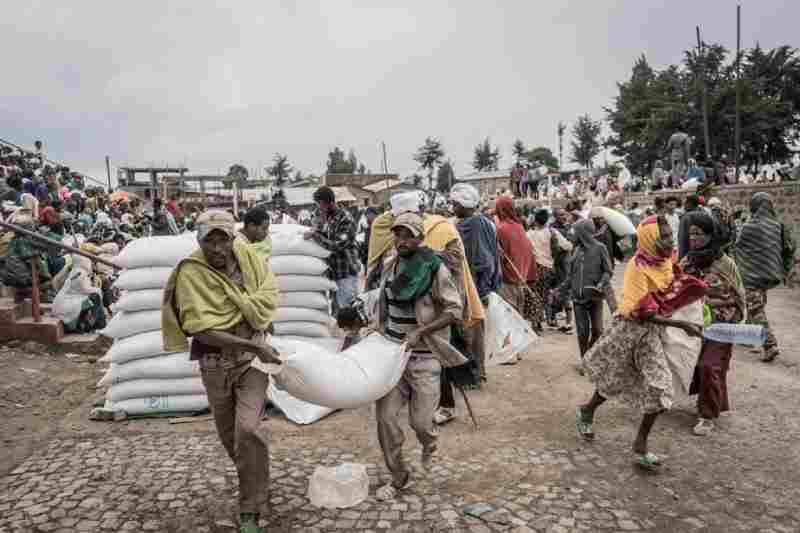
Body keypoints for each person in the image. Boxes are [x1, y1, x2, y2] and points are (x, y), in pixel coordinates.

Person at [162, 210, 281, 533]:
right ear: (199, 241)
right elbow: (200, 330)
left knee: (248, 429)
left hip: (249, 362)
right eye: (209, 241)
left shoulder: (248, 259)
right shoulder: (191, 272)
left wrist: (259, 332)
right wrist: (257, 344)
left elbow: (267, 295)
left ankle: (249, 509)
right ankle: (258, 487)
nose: (217, 248)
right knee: (232, 439)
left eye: (222, 240)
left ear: (232, 238)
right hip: (215, 366)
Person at [578, 215, 706, 470]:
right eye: (664, 236)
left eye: (671, 234)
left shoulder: (666, 261)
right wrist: (682, 324)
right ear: (649, 238)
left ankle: (640, 444)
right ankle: (588, 410)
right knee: (613, 379)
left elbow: (670, 290)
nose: (670, 240)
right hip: (629, 330)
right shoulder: (638, 266)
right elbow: (641, 310)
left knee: (660, 387)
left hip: (651, 335)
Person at [373, 212, 465, 501]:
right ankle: (398, 475)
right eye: (397, 234)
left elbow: (454, 311)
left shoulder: (435, 269)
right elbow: (382, 308)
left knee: (422, 423)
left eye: (407, 235)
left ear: (419, 238)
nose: (400, 240)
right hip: (392, 356)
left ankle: (429, 443)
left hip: (425, 357)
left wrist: (422, 331)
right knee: (385, 419)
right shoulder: (389, 267)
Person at [680, 212, 746, 436]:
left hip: (723, 323)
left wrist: (716, 304)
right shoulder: (688, 260)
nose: (693, 239)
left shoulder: (726, 263)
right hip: (696, 324)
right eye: (690, 235)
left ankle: (706, 416)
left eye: (698, 234)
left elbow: (738, 297)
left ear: (710, 235)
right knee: (702, 365)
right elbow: (677, 288)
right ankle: (715, 403)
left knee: (710, 365)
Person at [449, 184, 501, 386]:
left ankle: (475, 375)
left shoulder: (473, 225)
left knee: (472, 332)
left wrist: (480, 289)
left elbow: (482, 260)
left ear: (464, 204)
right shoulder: (483, 221)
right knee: (472, 331)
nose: (453, 208)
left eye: (455, 204)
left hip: (474, 287)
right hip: (477, 285)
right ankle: (475, 373)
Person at [735, 192, 796, 362]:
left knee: (756, 308)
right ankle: (747, 336)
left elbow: (738, 246)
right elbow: (788, 249)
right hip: (770, 273)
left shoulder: (749, 227)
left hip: (751, 273)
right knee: (757, 302)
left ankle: (770, 344)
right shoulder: (778, 226)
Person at [563, 219, 612, 361]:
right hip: (578, 299)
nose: (573, 236)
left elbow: (607, 271)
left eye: (576, 233)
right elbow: (570, 276)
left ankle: (590, 354)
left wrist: (601, 283)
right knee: (582, 332)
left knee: (598, 330)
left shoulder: (600, 248)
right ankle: (585, 359)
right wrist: (560, 290)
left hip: (595, 297)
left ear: (583, 234)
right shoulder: (576, 251)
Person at [305, 186, 360, 311]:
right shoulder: (330, 218)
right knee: (337, 312)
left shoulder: (346, 219)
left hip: (346, 273)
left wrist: (315, 235)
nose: (319, 208)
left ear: (328, 203)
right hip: (334, 274)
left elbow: (336, 245)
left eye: (320, 204)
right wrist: (317, 231)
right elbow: (327, 236)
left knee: (348, 311)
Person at [527, 208, 574, 332]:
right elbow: (568, 246)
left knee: (535, 295)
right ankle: (548, 319)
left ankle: (536, 322)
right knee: (545, 295)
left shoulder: (529, 234)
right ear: (547, 220)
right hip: (549, 268)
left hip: (534, 268)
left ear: (535, 221)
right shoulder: (552, 232)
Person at [495, 196, 533, 315]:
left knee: (509, 321)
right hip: (521, 278)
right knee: (518, 321)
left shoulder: (501, 229)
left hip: (506, 282)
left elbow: (498, 256)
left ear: (501, 210)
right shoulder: (519, 226)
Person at [52, 255, 106, 333]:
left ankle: (97, 323)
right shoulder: (80, 272)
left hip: (63, 303)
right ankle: (88, 325)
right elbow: (84, 288)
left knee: (93, 298)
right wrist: (98, 290)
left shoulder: (75, 271)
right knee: (96, 297)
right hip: (67, 304)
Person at [677, 194, 701, 259]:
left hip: (688, 255)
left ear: (690, 204)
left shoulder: (686, 218)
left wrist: (681, 258)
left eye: (685, 202)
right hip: (701, 253)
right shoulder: (703, 214)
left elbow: (682, 239)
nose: (684, 205)